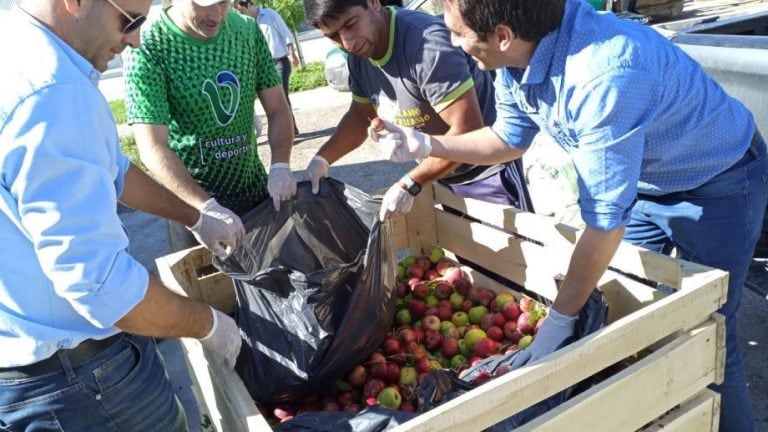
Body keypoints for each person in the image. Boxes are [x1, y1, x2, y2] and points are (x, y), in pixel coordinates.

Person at [372, 0, 766, 430]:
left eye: (457, 34)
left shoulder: (601, 76)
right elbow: (508, 138)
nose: (452, 43)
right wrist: (429, 146)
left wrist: (558, 323)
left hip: (719, 181)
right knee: (628, 312)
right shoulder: (518, 53)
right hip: (644, 182)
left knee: (705, 328)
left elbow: (604, 222)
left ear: (501, 36)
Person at [0, 0, 243, 429]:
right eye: (130, 21)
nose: (133, 40)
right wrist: (210, 324)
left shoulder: (16, 47)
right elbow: (101, 285)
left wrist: (196, 216)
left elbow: (112, 168)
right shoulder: (55, 93)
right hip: (78, 384)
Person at [302, 0, 533, 221]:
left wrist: (411, 182)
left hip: (485, 172)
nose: (347, 43)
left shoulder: (426, 45)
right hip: (439, 177)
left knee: (507, 258)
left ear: (373, 2)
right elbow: (361, 114)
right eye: (333, 36)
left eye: (350, 25)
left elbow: (467, 128)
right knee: (463, 258)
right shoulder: (360, 53)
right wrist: (322, 158)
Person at [124, 0, 297, 253]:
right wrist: (205, 209)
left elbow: (278, 109)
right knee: (207, 291)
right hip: (192, 210)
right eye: (204, 5)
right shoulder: (149, 46)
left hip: (254, 194)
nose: (217, 15)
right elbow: (152, 146)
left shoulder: (247, 31)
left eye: (224, 2)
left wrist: (281, 165)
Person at [234, 0, 301, 136]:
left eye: (242, 11)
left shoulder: (270, 15)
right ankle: (291, 130)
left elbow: (286, 34)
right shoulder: (246, 23)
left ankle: (288, 131)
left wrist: (292, 54)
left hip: (279, 62)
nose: (240, 14)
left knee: (281, 97)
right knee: (270, 101)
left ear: (249, 5)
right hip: (261, 67)